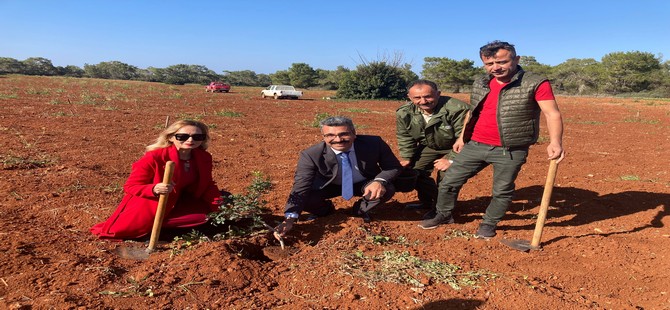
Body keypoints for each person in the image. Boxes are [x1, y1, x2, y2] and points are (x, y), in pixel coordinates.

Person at [420, 41, 565, 239]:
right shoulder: (481, 82)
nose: (495, 67)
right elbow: (473, 112)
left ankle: (489, 223)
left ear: (516, 59)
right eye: (489, 64)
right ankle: (444, 214)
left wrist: (555, 141)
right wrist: (463, 137)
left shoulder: (535, 82)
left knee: (502, 190)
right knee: (449, 182)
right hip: (476, 144)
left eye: (502, 62)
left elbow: (552, 114)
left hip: (510, 149)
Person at [91, 120, 225, 239]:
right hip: (152, 203)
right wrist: (154, 188)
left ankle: (165, 225)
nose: (190, 140)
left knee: (206, 217)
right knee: (125, 229)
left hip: (182, 200)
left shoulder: (203, 157)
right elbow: (130, 186)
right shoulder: (154, 157)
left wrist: (220, 205)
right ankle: (158, 225)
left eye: (197, 137)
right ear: (171, 137)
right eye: (183, 137)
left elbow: (208, 184)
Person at [274, 116, 402, 237]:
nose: (338, 139)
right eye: (330, 135)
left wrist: (379, 181)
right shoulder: (311, 155)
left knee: (385, 189)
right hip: (329, 185)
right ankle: (326, 211)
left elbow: (393, 166)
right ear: (323, 137)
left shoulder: (374, 143)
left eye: (344, 134)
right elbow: (300, 186)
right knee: (307, 198)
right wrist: (289, 219)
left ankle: (359, 211)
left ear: (353, 133)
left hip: (364, 183)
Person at [396, 79, 469, 215]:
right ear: (409, 97)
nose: (423, 101)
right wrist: (407, 157)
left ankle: (443, 210)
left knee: (447, 175)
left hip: (455, 146)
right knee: (413, 171)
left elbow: (466, 138)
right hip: (430, 145)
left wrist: (451, 159)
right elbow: (405, 136)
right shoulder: (404, 112)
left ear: (438, 94)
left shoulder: (457, 109)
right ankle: (429, 202)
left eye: (428, 96)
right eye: (417, 98)